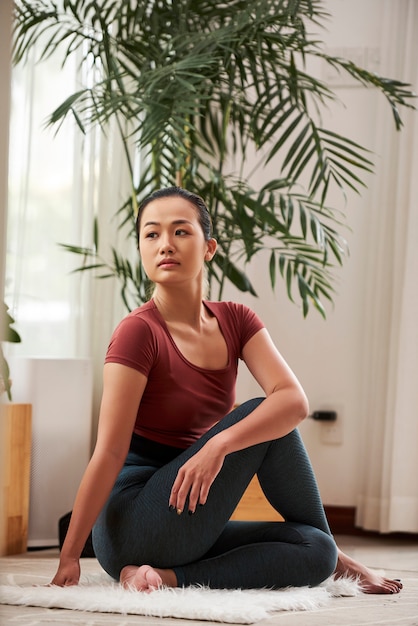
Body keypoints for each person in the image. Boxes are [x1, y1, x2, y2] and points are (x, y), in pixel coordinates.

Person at [52, 186, 402, 595]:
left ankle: (161, 578)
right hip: (134, 521)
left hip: (188, 513)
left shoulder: (236, 320)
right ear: (142, 249)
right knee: (265, 413)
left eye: (181, 232)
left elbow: (294, 401)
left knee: (315, 549)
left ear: (209, 247)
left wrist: (216, 447)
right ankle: (345, 562)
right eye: (151, 234)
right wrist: (70, 556)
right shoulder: (138, 332)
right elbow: (109, 453)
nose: (165, 244)